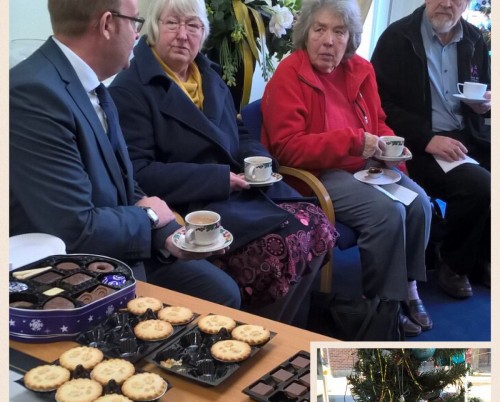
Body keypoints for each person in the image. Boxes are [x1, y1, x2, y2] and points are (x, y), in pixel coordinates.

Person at [109, 0, 337, 323]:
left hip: (239, 193)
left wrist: (260, 162)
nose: (183, 35)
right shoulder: (132, 88)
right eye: (173, 23)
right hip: (192, 208)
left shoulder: (210, 76)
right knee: (282, 248)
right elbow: (141, 174)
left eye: (193, 26)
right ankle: (253, 330)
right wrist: (220, 178)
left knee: (317, 222)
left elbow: (239, 132)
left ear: (204, 34)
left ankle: (276, 327)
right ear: (153, 28)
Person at [10, 0, 241, 309]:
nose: (138, 35)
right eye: (135, 22)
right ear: (107, 24)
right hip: (69, 276)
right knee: (216, 300)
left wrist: (169, 236)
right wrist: (148, 218)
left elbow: (125, 184)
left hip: (116, 241)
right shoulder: (34, 95)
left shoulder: (92, 85)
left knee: (222, 292)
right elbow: (75, 229)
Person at [261, 0, 433, 336]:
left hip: (366, 167)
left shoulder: (360, 70)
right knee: (387, 214)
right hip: (318, 175)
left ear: (350, 37)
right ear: (305, 33)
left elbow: (378, 121)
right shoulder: (289, 74)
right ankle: (384, 305)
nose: (329, 41)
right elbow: (286, 147)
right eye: (320, 29)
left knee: (420, 203)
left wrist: (390, 148)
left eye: (339, 31)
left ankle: (409, 287)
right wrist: (353, 143)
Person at [371, 0, 491, 299]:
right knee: (480, 185)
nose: (447, 3)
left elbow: (486, 91)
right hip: (416, 145)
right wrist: (426, 137)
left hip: (467, 134)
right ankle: (453, 263)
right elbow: (379, 104)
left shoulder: (475, 40)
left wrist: (485, 106)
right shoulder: (397, 38)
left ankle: (482, 257)